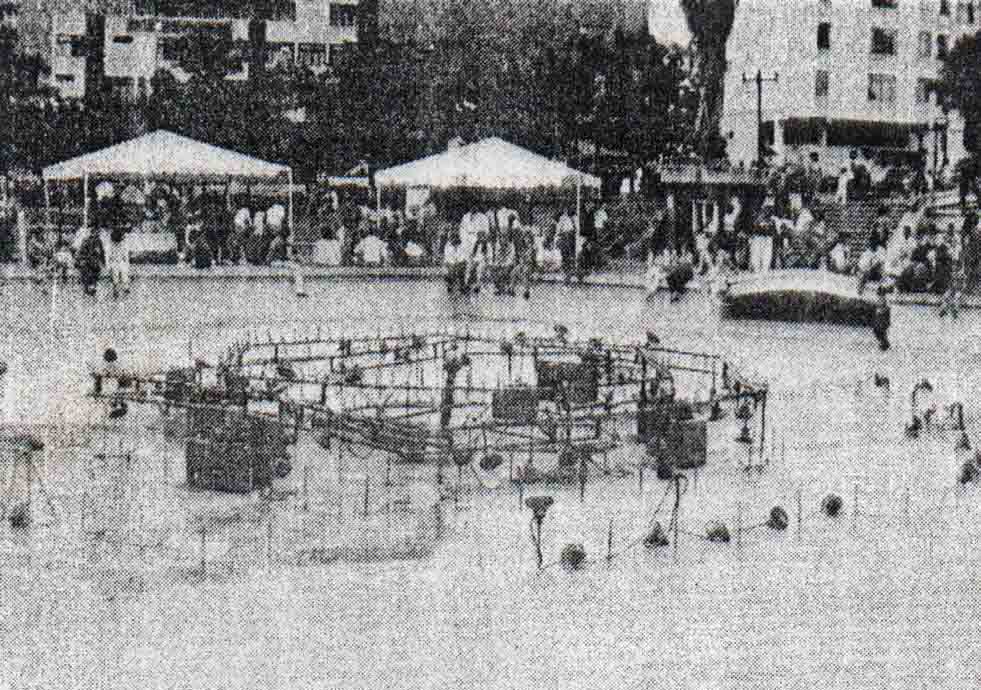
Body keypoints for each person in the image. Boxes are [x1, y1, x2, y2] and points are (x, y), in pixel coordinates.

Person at [76, 228, 105, 295]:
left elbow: (101, 252)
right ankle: (90, 289)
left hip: (90, 261)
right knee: (91, 276)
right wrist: (103, 261)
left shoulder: (95, 240)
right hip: (91, 261)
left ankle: (90, 289)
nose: (97, 234)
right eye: (96, 233)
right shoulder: (96, 241)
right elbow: (101, 252)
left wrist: (103, 261)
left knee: (90, 276)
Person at [104, 226, 131, 297]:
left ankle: (124, 288)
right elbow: (107, 255)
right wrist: (108, 265)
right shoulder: (110, 245)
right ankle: (117, 290)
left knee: (123, 276)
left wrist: (127, 263)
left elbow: (125, 255)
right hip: (115, 262)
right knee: (116, 277)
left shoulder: (122, 244)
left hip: (119, 262)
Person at [556, 210, 576, 284]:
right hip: (566, 239)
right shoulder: (564, 219)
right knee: (566, 258)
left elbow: (559, 231)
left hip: (568, 239)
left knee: (567, 258)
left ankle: (568, 275)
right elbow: (559, 231)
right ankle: (567, 276)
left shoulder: (571, 218)